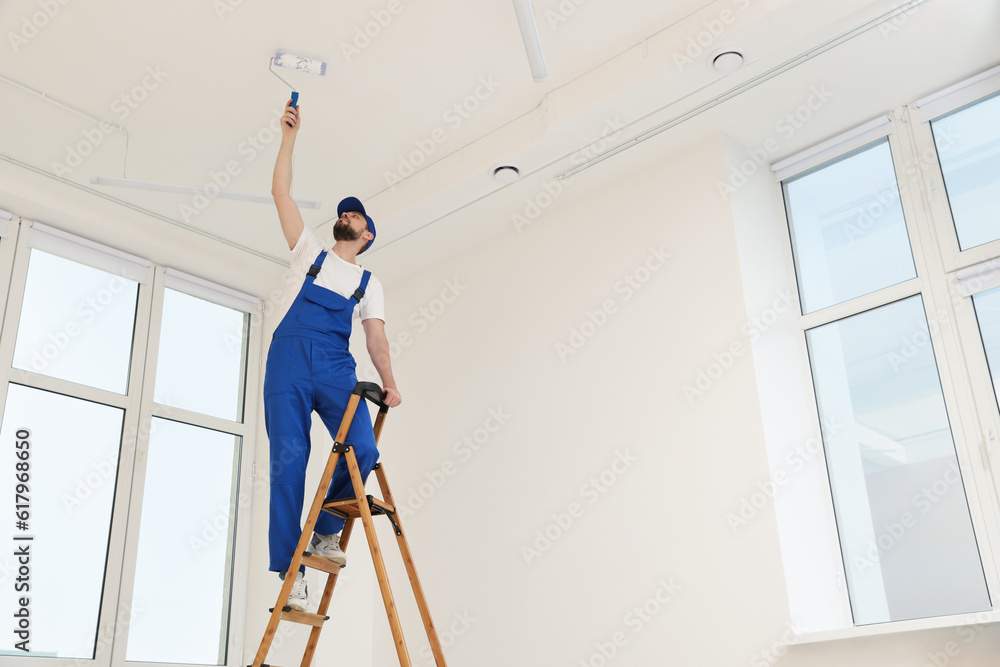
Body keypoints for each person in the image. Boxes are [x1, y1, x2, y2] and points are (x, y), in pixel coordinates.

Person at [264, 98, 402, 612]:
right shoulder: (309, 253)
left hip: (335, 366)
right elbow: (281, 193)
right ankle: (290, 571)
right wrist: (289, 137)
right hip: (288, 361)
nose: (347, 214)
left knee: (362, 449)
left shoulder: (370, 283)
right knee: (289, 463)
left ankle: (323, 530)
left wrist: (390, 381)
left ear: (366, 235)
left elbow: (376, 340)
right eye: (344, 210)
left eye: (356, 213)